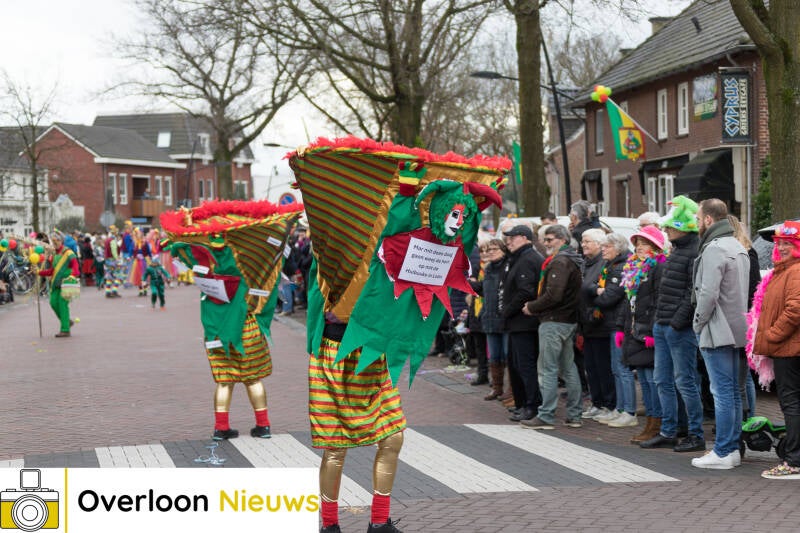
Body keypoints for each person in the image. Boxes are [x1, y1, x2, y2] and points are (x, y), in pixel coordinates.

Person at [642, 195, 705, 453]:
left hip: (678, 327)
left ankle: (695, 434)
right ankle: (669, 431)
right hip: (664, 323)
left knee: (685, 381)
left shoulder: (693, 252)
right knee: (663, 379)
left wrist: (678, 322)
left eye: (669, 227)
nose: (666, 231)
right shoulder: (677, 250)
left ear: (682, 228)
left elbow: (693, 291)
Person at [690, 198, 748, 469]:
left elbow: (708, 293)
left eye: (698, 218)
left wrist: (697, 323)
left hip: (716, 329)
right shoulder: (737, 246)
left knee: (722, 392)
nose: (696, 223)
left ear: (708, 219)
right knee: (733, 392)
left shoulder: (714, 249)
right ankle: (731, 449)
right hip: (738, 329)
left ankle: (723, 450)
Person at [748, 220, 800, 479]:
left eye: (788, 243)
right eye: (780, 243)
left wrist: (772, 335)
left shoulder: (795, 271)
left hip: (790, 350)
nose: (781, 247)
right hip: (787, 348)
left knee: (791, 403)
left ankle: (794, 460)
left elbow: (795, 308)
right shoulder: (785, 270)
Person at [520, 224, 583, 430]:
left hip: (554, 321)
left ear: (562, 240)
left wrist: (532, 307)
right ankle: (575, 415)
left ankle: (546, 416)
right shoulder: (571, 259)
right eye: (544, 239)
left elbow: (553, 295)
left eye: (550, 239)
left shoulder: (560, 262)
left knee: (547, 369)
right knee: (568, 368)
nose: (546, 243)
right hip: (567, 320)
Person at [614, 226, 667, 434]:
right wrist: (621, 327)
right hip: (634, 332)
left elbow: (659, 302)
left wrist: (652, 331)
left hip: (648, 334)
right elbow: (627, 302)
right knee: (644, 380)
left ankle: (657, 423)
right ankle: (650, 423)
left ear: (655, 246)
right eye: (637, 244)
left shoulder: (659, 267)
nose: (639, 247)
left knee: (653, 380)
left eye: (645, 243)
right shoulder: (633, 266)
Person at [501, 223, 545, 422]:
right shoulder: (519, 258)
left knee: (525, 365)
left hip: (524, 322)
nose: (509, 241)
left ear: (525, 238)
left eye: (513, 237)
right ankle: (522, 403)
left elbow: (526, 291)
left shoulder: (528, 259)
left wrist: (507, 311)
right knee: (516, 364)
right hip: (517, 322)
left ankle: (532, 404)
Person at [578, 228, 617, 420]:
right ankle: (597, 402)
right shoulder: (585, 263)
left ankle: (609, 404)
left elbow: (604, 290)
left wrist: (591, 289)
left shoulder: (604, 263)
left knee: (603, 367)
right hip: (586, 322)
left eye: (587, 241)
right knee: (591, 367)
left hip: (601, 322)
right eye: (582, 241)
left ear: (598, 244)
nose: (583, 244)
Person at [729, 214, 760, 419]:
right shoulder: (745, 253)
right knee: (743, 377)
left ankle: (746, 419)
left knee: (742, 379)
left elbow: (752, 288)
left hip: (744, 319)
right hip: (741, 317)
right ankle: (747, 417)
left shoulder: (748, 254)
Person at [475, 238, 509, 400]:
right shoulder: (488, 269)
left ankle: (511, 391)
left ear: (503, 250)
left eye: (494, 249)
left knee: (508, 356)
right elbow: (483, 290)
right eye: (488, 250)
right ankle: (497, 388)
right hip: (489, 318)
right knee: (494, 356)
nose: (490, 252)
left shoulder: (508, 267)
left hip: (504, 319)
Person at [37, 231, 80, 337]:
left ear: (61, 241)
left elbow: (75, 267)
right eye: (53, 241)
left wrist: (72, 275)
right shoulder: (54, 255)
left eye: (57, 240)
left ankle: (65, 329)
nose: (55, 243)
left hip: (66, 283)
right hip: (56, 283)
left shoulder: (68, 252)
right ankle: (67, 321)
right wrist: (39, 272)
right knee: (53, 303)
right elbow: (52, 271)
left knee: (62, 304)